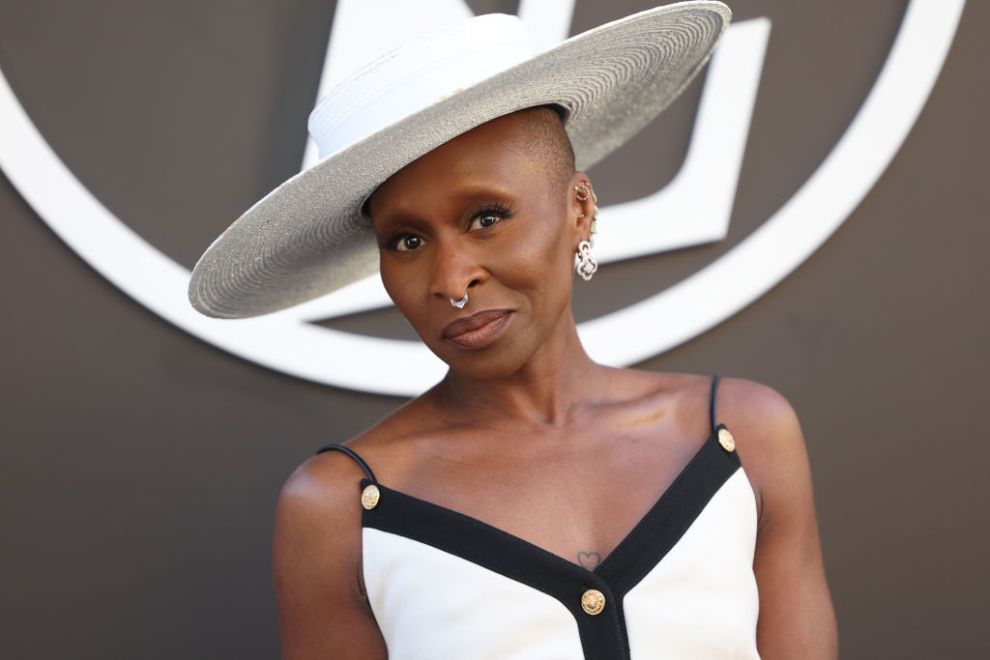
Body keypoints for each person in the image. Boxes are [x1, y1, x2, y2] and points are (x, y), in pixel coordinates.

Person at [188, 5, 837, 658]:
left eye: (486, 217)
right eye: (406, 239)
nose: (450, 279)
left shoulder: (743, 435)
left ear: (579, 209)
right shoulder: (338, 508)